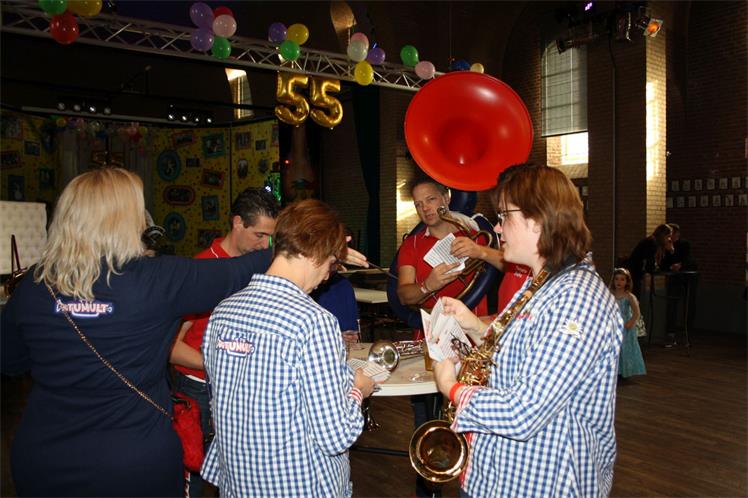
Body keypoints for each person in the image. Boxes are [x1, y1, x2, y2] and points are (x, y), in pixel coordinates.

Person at [0, 168, 272, 497]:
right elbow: (243, 269)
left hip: (43, 457)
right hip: (133, 462)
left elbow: (11, 361)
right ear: (126, 220)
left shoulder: (34, 286)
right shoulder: (157, 280)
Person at [433, 164, 623, 497]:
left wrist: (451, 387)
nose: (497, 228)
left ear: (536, 220)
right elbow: (520, 356)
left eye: (504, 216)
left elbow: (523, 412)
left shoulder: (578, 300)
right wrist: (472, 326)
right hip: (500, 477)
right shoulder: (542, 283)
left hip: (545, 484)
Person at [201, 199, 376, 497]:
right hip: (300, 485)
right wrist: (358, 390)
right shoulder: (313, 321)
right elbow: (335, 436)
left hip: (238, 483)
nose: (327, 276)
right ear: (317, 253)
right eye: (332, 264)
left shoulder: (224, 311)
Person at [169, 187, 279, 497]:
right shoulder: (202, 268)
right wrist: (217, 364)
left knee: (237, 470)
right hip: (198, 387)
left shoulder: (264, 267)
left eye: (270, 238)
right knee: (195, 468)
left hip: (243, 387)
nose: (265, 245)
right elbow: (170, 346)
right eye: (259, 235)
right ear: (237, 223)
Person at [396, 176, 494, 497]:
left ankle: (475, 487)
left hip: (473, 347)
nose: (425, 208)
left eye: (431, 199)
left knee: (475, 423)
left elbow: (508, 262)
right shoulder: (412, 244)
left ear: (446, 197)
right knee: (426, 423)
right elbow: (405, 295)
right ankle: (427, 489)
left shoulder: (473, 234)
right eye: (418, 204)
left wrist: (480, 250)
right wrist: (429, 285)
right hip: (431, 345)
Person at [610, 267, 646, 378]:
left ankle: (626, 369)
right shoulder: (610, 294)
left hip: (626, 326)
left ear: (627, 282)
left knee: (625, 347)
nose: (619, 282)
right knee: (615, 347)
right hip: (614, 325)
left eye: (622, 279)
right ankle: (615, 370)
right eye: (616, 279)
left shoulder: (629, 296)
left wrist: (631, 322)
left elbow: (636, 312)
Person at [625, 223, 674, 299]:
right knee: (635, 297)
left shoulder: (655, 243)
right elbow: (650, 264)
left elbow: (660, 263)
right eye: (668, 236)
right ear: (663, 235)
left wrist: (670, 250)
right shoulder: (651, 242)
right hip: (634, 273)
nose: (669, 239)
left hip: (636, 273)